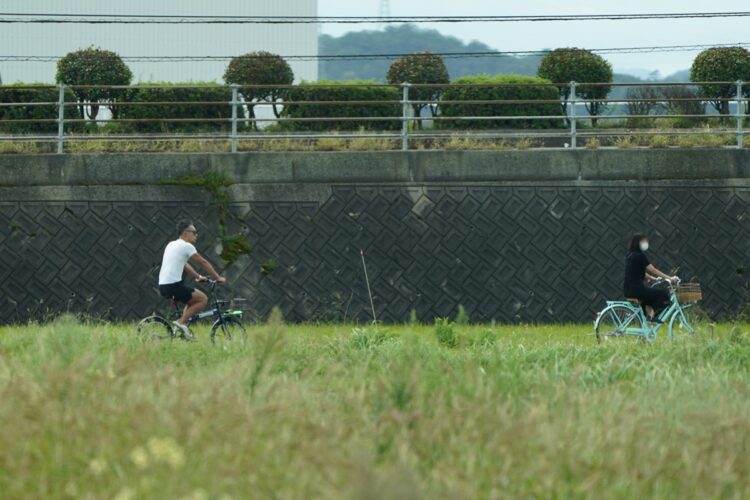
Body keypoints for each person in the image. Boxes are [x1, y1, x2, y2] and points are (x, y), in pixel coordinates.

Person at [158, 219, 226, 339]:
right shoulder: (186, 246)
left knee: (192, 301)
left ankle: (182, 329)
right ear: (185, 233)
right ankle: (181, 322)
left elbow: (184, 264)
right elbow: (203, 262)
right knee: (203, 299)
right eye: (194, 232)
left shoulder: (171, 244)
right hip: (174, 286)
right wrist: (218, 277)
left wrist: (198, 277)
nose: (196, 235)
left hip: (163, 285)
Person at [623, 234, 679, 321]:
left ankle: (646, 322)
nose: (646, 243)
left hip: (627, 290)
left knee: (647, 299)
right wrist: (670, 278)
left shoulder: (629, 256)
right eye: (643, 241)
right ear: (638, 243)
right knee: (663, 295)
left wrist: (652, 278)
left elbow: (638, 272)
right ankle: (653, 317)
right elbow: (652, 269)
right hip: (637, 290)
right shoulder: (640, 256)